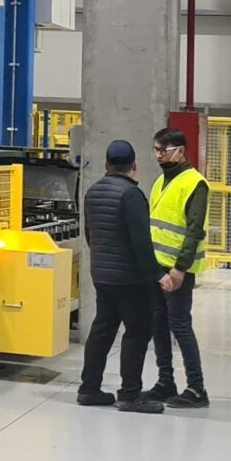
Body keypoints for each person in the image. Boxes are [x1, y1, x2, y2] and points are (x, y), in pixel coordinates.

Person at [76, 139, 166, 414]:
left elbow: (90, 233)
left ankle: (89, 389)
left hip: (102, 274)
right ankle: (130, 394)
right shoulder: (131, 195)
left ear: (106, 164)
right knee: (137, 331)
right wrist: (155, 275)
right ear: (134, 166)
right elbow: (141, 241)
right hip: (129, 278)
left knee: (102, 330)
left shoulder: (92, 192)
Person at [146, 127, 211, 408]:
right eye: (156, 150)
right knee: (159, 325)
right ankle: (165, 382)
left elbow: (194, 230)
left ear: (180, 151)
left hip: (177, 270)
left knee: (180, 325)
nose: (159, 155)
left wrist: (180, 268)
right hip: (158, 267)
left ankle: (196, 388)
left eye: (164, 150)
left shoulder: (195, 183)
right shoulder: (161, 181)